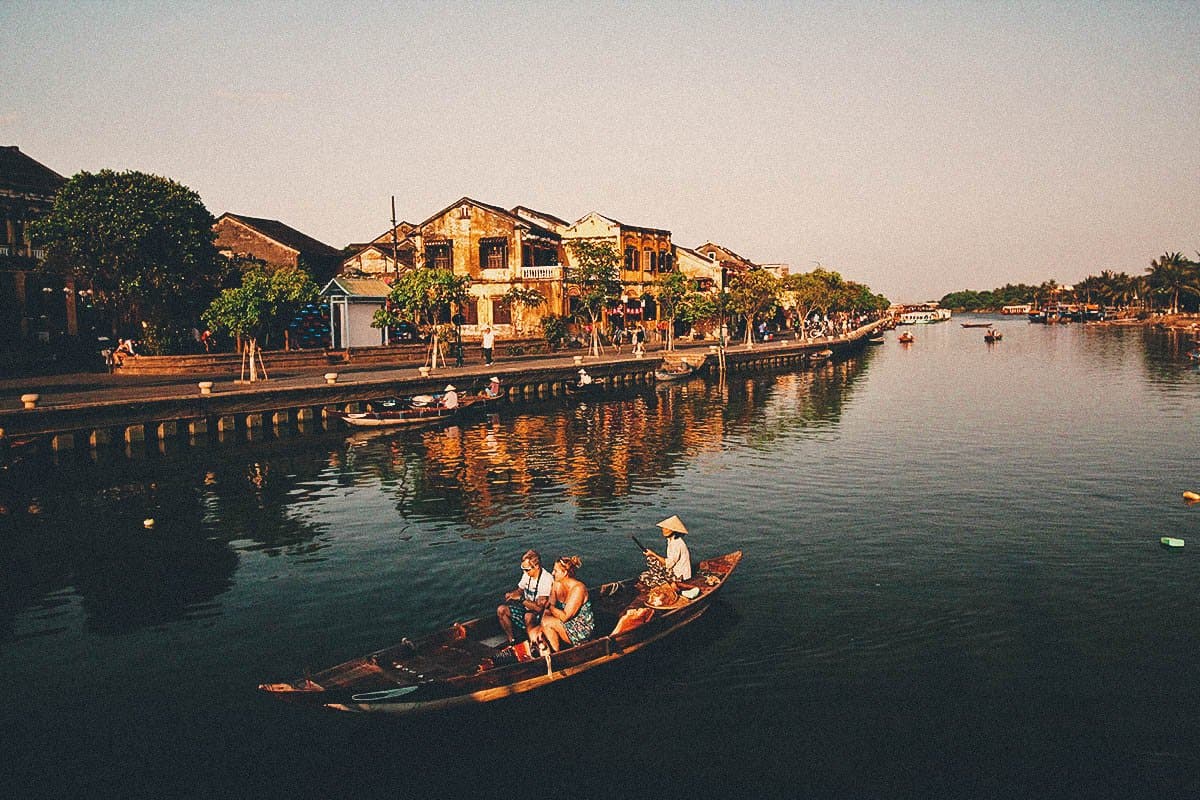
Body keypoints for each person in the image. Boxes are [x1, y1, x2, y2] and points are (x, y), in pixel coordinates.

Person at [530, 555, 594, 652]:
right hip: (563, 623)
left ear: (564, 573)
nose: (552, 573)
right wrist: (542, 625)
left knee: (548, 623)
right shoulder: (556, 584)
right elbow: (548, 610)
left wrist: (548, 606)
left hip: (580, 629)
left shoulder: (578, 589)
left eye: (555, 571)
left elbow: (565, 617)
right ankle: (549, 654)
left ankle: (556, 655)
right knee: (534, 632)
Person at [496, 549, 553, 644]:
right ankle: (512, 641)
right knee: (501, 610)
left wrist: (521, 599)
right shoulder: (527, 574)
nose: (524, 572)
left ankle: (533, 644)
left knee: (528, 616)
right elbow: (520, 590)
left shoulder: (546, 579)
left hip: (540, 613)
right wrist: (512, 594)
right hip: (525, 606)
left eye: (527, 569)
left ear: (537, 566)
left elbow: (539, 609)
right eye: (523, 568)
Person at [640, 514, 692, 587]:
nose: (663, 530)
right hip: (672, 570)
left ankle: (672, 586)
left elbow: (668, 564)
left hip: (680, 576)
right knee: (649, 564)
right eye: (663, 528)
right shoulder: (671, 540)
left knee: (647, 578)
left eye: (666, 528)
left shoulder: (677, 544)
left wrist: (653, 554)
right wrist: (652, 556)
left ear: (672, 530)